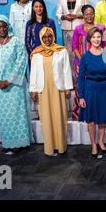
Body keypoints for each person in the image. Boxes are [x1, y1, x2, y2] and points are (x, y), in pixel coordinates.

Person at [0, 15, 32, 155]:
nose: (2, 29)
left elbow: (21, 60)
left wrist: (9, 80)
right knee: (4, 116)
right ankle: (8, 143)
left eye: (4, 26)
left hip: (14, 85)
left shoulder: (15, 41)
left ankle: (20, 143)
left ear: (8, 26)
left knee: (17, 114)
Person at [29, 27, 73, 156]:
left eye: (49, 36)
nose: (47, 39)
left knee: (59, 117)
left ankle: (60, 147)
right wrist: (33, 90)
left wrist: (68, 88)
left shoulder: (61, 51)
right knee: (46, 118)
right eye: (44, 37)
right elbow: (34, 73)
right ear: (41, 38)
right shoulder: (36, 53)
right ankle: (49, 147)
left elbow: (66, 70)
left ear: (53, 37)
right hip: (43, 90)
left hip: (58, 89)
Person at [78, 27, 106, 159]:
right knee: (91, 120)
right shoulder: (85, 56)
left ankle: (101, 141)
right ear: (89, 39)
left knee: (102, 119)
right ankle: (93, 144)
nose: (96, 39)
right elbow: (80, 78)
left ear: (102, 39)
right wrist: (81, 96)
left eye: (98, 37)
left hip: (105, 90)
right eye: (94, 37)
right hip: (90, 89)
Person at [71, 4, 106, 120]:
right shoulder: (78, 29)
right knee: (82, 86)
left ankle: (96, 111)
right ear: (83, 15)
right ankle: (79, 111)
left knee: (95, 87)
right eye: (87, 14)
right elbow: (74, 46)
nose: (89, 16)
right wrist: (83, 60)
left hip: (98, 64)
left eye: (91, 13)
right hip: (81, 62)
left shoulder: (101, 28)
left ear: (94, 14)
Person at [56, 0, 90, 73]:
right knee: (68, 54)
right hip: (66, 30)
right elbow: (58, 14)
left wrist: (77, 16)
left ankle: (82, 75)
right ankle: (70, 79)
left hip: (79, 29)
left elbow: (88, 13)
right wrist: (65, 17)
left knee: (80, 52)